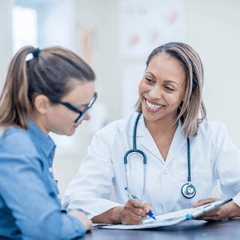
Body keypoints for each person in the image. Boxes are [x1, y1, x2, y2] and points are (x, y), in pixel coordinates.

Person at [62, 42, 240, 225]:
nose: (153, 94)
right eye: (149, 79)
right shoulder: (111, 137)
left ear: (187, 94)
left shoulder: (212, 136)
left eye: (168, 88)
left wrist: (229, 209)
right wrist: (120, 213)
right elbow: (76, 200)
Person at [0, 46, 97, 239]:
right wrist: (75, 222)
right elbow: (45, 228)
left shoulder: (33, 143)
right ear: (42, 104)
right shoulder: (18, 147)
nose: (86, 118)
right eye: (81, 109)